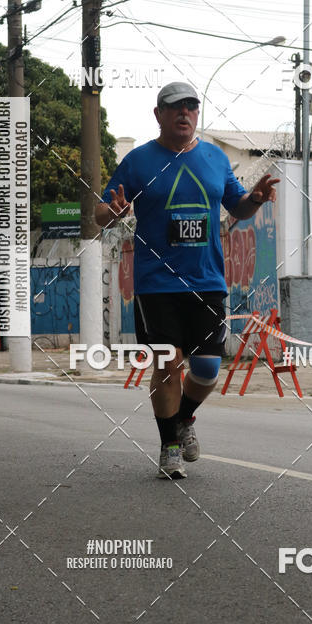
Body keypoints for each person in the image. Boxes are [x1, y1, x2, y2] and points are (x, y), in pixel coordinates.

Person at [95, 81, 279, 479]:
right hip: (156, 282)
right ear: (158, 114)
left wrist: (257, 199)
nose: (185, 113)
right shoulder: (139, 161)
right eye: (176, 107)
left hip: (208, 280)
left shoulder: (214, 158)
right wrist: (112, 211)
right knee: (168, 362)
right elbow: (101, 213)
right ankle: (169, 447)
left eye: (192, 107)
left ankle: (184, 419)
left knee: (208, 369)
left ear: (198, 114)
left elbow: (239, 207)